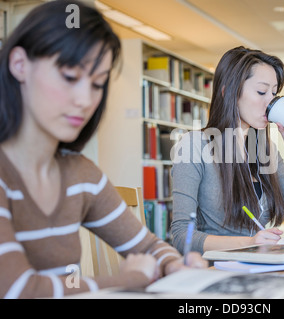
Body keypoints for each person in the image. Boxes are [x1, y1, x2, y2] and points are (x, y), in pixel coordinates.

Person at [0, 0, 206, 299]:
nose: (85, 100)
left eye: (97, 84)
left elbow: (148, 246)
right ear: (19, 65)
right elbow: (19, 289)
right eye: (70, 77)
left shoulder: (80, 174)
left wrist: (173, 264)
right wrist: (127, 279)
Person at [171, 46, 284, 255]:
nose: (271, 102)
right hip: (216, 271)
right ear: (228, 92)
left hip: (258, 267)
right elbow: (180, 237)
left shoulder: (266, 152)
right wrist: (249, 242)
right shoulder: (194, 146)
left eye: (274, 93)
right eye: (261, 92)